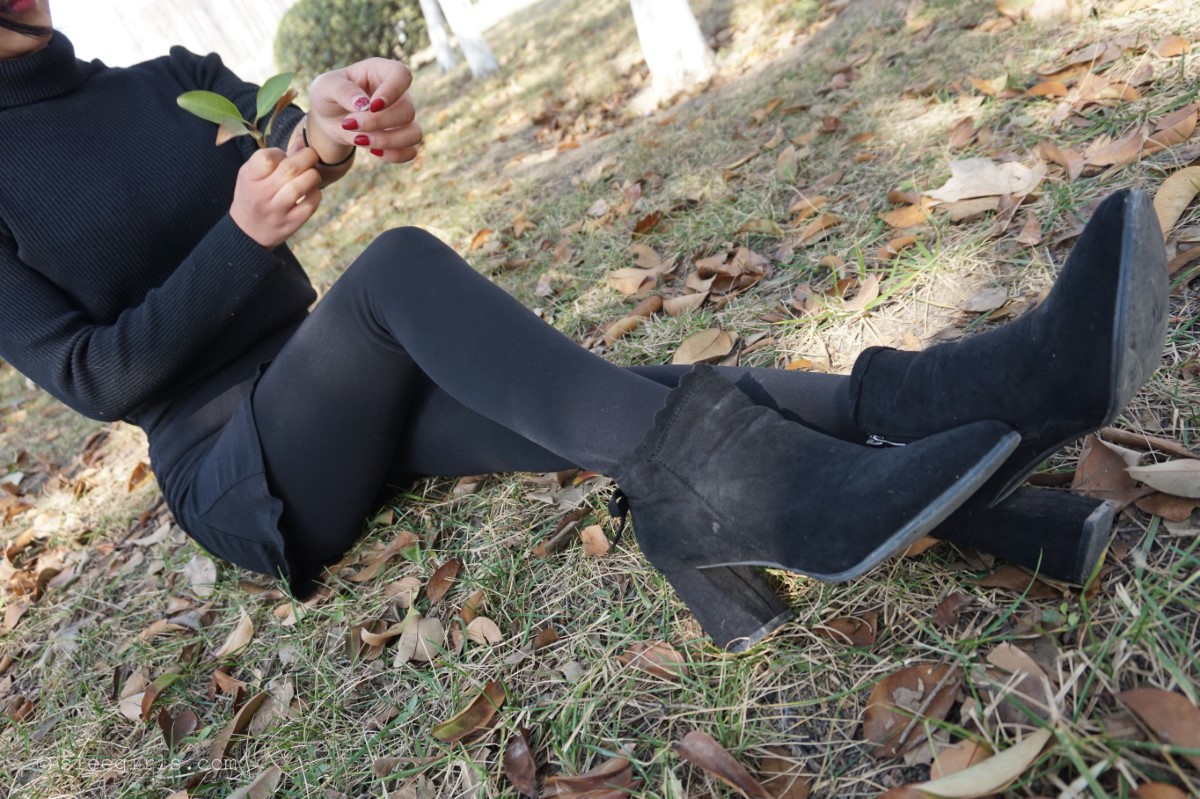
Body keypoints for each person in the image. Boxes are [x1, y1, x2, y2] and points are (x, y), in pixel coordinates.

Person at [0, 1, 1168, 650]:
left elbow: (292, 148)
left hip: (345, 387)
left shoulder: (169, 77)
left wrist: (338, 121)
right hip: (240, 466)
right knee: (397, 270)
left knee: (628, 397)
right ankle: (768, 503)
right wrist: (238, 240)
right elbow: (92, 377)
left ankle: (992, 412)